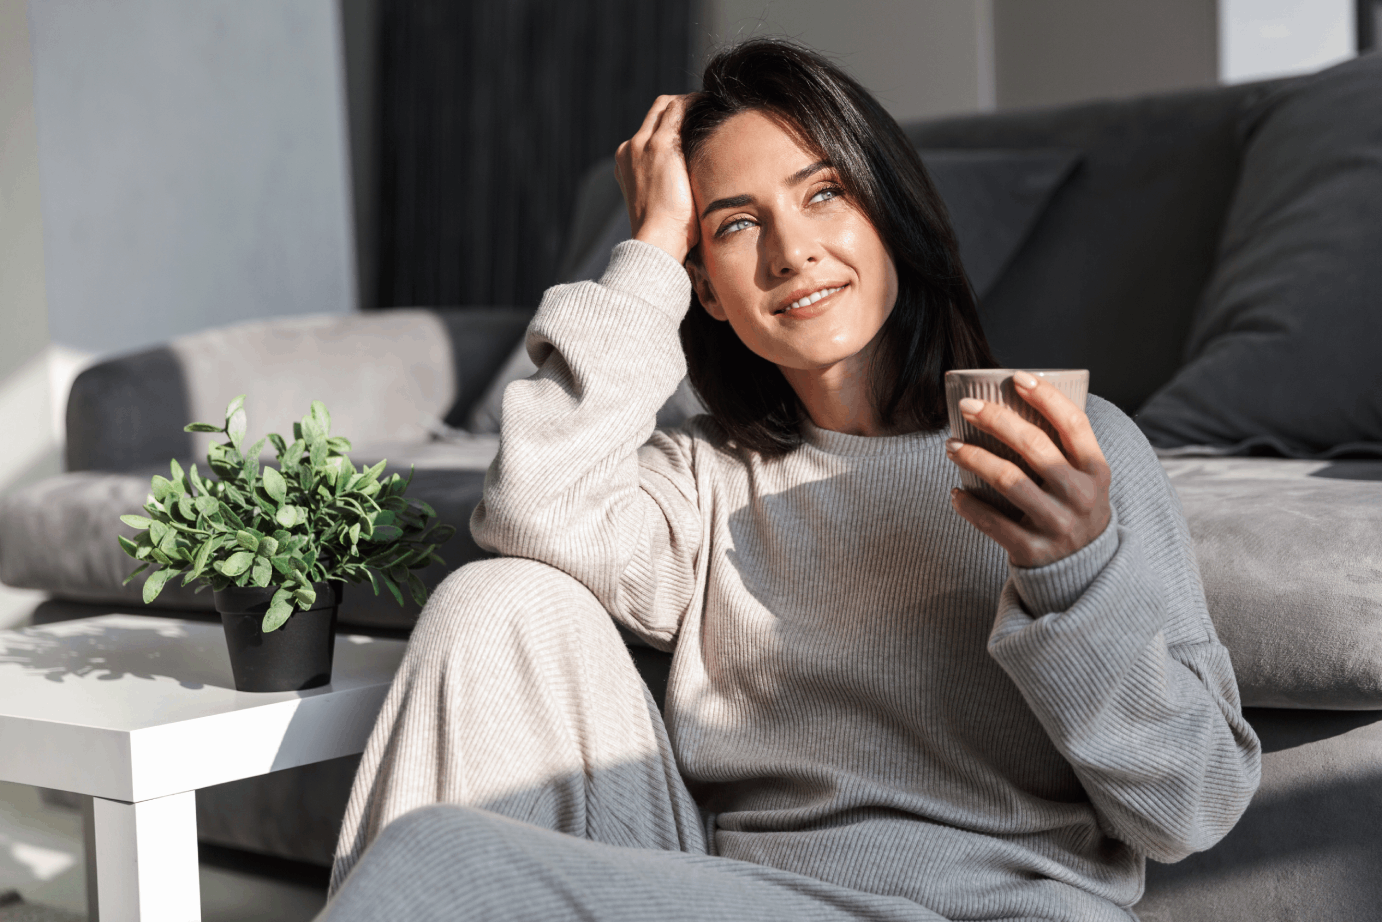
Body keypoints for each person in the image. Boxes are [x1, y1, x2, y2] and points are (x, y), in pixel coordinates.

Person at [320, 40, 1260, 922]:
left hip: (992, 909)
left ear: (888, 213)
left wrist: (1076, 574)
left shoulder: (1067, 446)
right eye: (736, 225)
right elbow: (531, 504)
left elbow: (1192, 805)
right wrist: (649, 246)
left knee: (436, 862)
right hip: (746, 894)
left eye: (825, 195)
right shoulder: (703, 482)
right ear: (709, 292)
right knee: (498, 598)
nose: (791, 250)